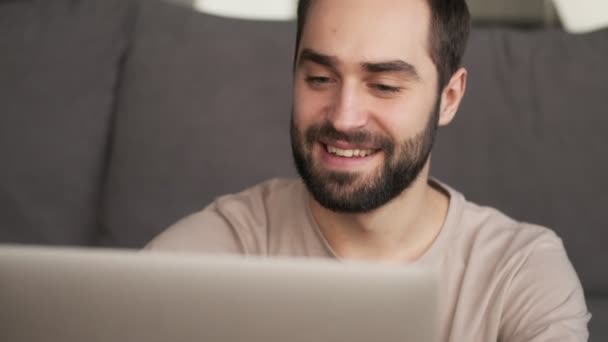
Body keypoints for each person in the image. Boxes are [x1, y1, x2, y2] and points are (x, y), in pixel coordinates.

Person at [146, 0, 590, 340]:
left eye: (384, 86)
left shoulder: (519, 273)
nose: (343, 117)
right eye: (320, 78)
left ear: (449, 97)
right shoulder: (226, 247)